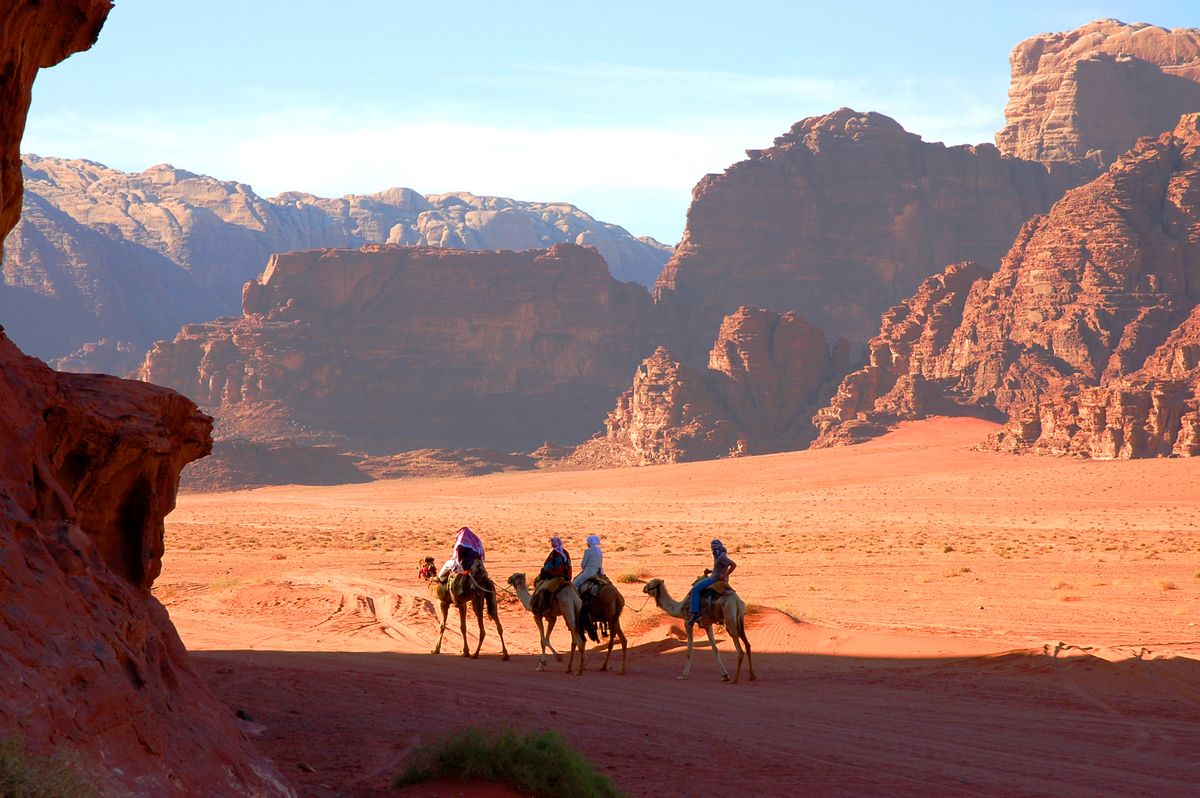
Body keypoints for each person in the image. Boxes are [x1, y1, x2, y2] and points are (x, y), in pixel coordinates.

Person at [688, 539, 736, 626]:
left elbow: (733, 565)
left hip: (714, 579)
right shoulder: (719, 555)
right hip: (715, 576)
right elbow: (719, 568)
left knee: (695, 590)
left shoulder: (721, 557)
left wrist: (725, 575)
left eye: (713, 548)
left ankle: (695, 613)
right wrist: (710, 571)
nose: (712, 550)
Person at [532, 536, 572, 611]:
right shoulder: (565, 552)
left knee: (543, 588)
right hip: (566, 575)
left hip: (556, 575)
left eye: (552, 543)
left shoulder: (554, 553)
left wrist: (544, 570)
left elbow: (548, 565)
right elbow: (568, 564)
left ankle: (543, 606)